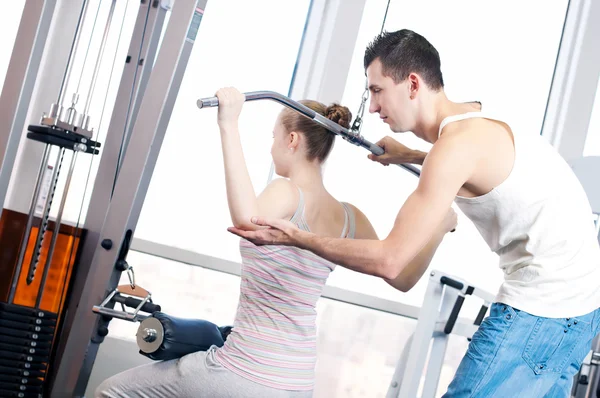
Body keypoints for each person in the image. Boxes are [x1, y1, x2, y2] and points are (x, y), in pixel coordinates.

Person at [228, 29, 600, 397]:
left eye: (376, 90)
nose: (372, 107)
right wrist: (412, 154)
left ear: (412, 83)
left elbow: (391, 262)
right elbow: (481, 166)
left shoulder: (453, 149)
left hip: (539, 314)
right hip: (583, 314)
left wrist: (297, 236)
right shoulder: (478, 121)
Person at [95, 87, 457, 398]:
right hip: (297, 382)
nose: (271, 148)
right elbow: (404, 278)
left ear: (293, 140)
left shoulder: (287, 192)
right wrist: (438, 231)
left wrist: (228, 124)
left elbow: (246, 221)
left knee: (112, 392)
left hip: (246, 372)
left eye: (272, 138)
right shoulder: (350, 217)